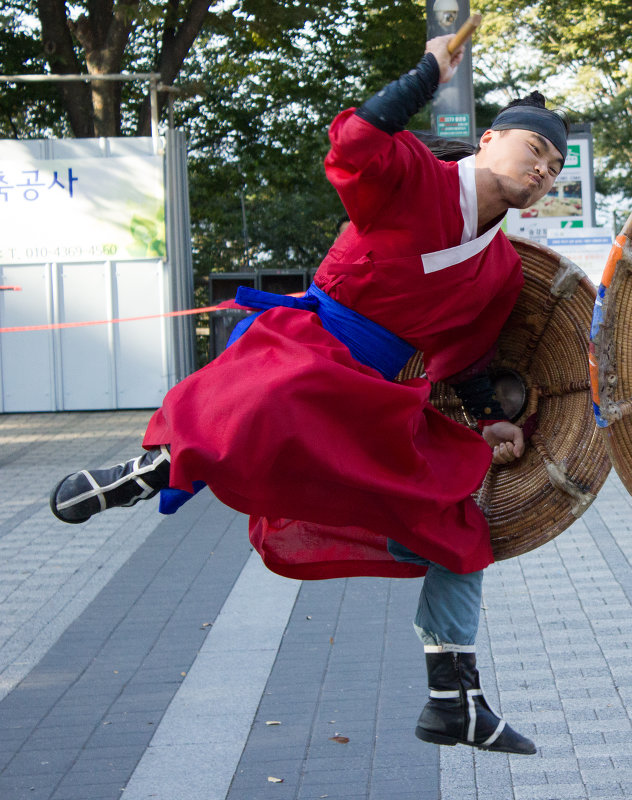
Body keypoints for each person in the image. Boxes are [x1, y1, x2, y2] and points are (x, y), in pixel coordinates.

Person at [49, 35, 570, 756]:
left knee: (459, 522)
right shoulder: (414, 174)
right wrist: (426, 73)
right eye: (533, 151)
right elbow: (355, 143)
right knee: (270, 396)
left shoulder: (503, 268)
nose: (542, 169)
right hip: (311, 344)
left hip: (378, 395)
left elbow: (466, 355)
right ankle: (145, 473)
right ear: (488, 139)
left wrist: (488, 419)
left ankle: (456, 699)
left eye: (554, 166)